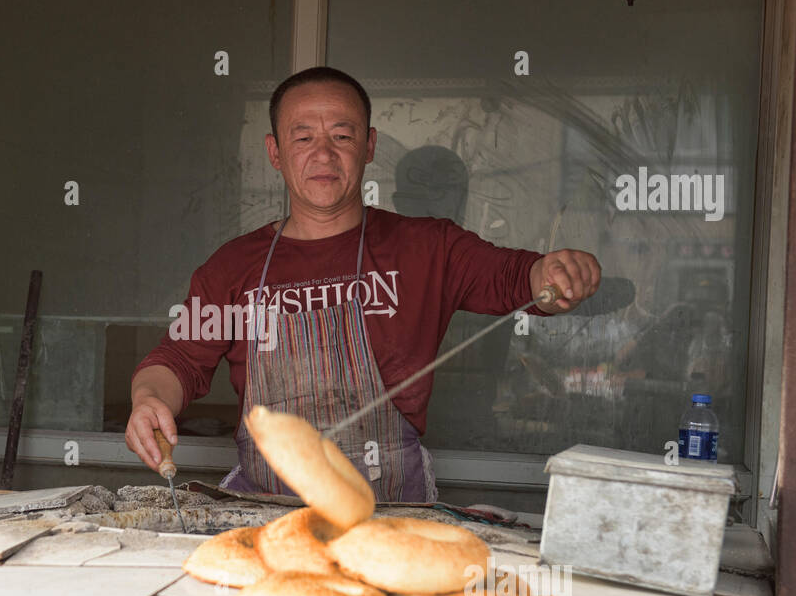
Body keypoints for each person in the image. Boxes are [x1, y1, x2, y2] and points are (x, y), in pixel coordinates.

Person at [125, 67, 600, 501]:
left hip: (393, 513)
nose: (324, 153)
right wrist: (149, 401)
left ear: (369, 145)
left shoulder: (429, 247)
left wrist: (557, 274)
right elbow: (178, 360)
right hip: (265, 513)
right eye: (304, 136)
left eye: (342, 134)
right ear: (274, 152)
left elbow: (519, 279)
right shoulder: (232, 267)